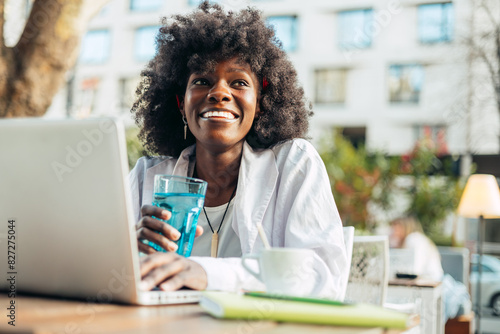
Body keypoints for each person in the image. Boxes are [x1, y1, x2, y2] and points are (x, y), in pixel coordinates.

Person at [129, 2, 347, 299]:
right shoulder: (146, 176)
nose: (219, 92)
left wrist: (206, 273)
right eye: (202, 81)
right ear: (181, 104)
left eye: (239, 82)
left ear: (260, 104)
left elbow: (322, 277)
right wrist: (128, 251)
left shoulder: (294, 164)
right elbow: (97, 271)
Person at [389, 216, 443, 281]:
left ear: (404, 228)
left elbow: (415, 270)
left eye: (395, 228)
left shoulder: (413, 239)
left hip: (431, 282)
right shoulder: (414, 239)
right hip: (430, 281)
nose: (392, 231)